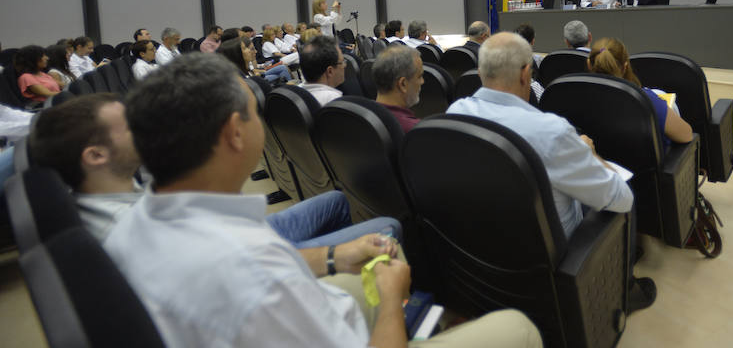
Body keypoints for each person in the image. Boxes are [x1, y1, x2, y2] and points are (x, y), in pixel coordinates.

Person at [102, 53, 540, 348]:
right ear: (234, 133)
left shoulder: (135, 223)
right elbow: (262, 275)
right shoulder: (254, 270)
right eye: (253, 112)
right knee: (518, 328)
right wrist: (392, 300)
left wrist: (333, 256)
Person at [446, 33, 656, 313]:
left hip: (484, 246)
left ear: (481, 71)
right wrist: (591, 156)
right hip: (550, 256)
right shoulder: (551, 131)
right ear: (525, 74)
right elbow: (621, 199)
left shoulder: (455, 111)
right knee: (621, 191)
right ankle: (625, 290)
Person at [29, 92, 401, 247]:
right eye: (128, 126)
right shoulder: (126, 231)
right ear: (96, 156)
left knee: (336, 200)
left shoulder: (113, 189)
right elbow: (231, 267)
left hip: (233, 235)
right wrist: (330, 259)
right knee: (387, 227)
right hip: (245, 251)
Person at [587, 37, 692, 150]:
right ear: (625, 67)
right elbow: (686, 135)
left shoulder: (579, 99)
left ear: (589, 65)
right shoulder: (647, 101)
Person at [373, 45, 423, 133]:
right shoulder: (417, 131)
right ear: (403, 84)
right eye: (419, 76)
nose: (422, 81)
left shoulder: (360, 116)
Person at [219, 37, 292, 85]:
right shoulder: (237, 75)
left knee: (280, 71)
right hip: (254, 79)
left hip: (255, 76)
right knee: (281, 71)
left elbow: (252, 70)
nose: (254, 51)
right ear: (237, 54)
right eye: (245, 48)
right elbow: (252, 72)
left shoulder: (240, 69)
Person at [299, 36, 345, 106]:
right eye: (342, 62)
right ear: (330, 71)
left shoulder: (297, 93)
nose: (345, 65)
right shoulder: (334, 101)